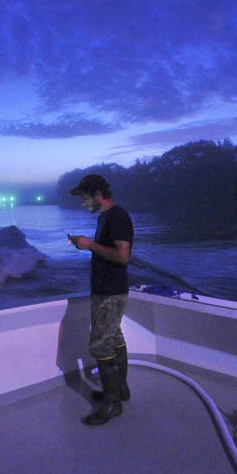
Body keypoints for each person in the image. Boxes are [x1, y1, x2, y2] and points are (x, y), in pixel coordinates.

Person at [68, 174, 134, 426]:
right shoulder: (105, 217)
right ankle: (119, 391)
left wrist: (90, 245)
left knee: (100, 346)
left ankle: (112, 404)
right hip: (109, 289)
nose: (82, 203)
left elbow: (122, 256)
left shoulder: (117, 216)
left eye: (84, 198)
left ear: (98, 194)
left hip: (110, 292)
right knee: (114, 337)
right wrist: (87, 245)